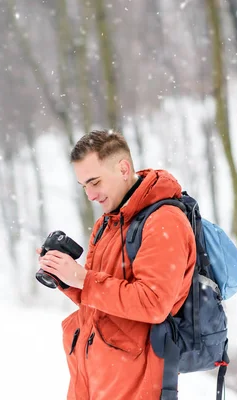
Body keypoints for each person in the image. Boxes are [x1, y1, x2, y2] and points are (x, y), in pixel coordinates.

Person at [37, 130, 196, 400]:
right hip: (94, 383)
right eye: (83, 186)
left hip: (136, 387)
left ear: (123, 168)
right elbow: (104, 302)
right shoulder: (107, 224)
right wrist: (65, 277)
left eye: (95, 182)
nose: (90, 195)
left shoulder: (164, 221)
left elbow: (153, 303)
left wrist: (83, 279)